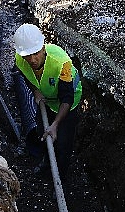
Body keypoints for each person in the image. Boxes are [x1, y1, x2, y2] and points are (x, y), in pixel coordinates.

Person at [12, 24, 82, 180]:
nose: (32, 60)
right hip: (47, 99)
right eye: (27, 55)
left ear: (43, 47)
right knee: (41, 132)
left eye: (35, 54)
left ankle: (60, 179)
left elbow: (67, 98)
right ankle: (46, 164)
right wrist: (35, 91)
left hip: (67, 104)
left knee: (63, 144)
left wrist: (55, 125)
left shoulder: (61, 62)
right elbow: (25, 75)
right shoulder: (20, 58)